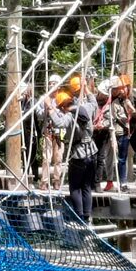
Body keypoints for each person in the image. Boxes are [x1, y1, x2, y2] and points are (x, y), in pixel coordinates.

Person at [48, 85, 98, 223]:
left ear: (63, 106)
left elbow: (59, 124)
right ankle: (87, 216)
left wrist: (49, 107)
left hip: (79, 155)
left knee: (75, 187)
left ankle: (79, 217)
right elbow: (93, 102)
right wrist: (86, 88)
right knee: (87, 186)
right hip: (92, 153)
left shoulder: (70, 116)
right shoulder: (85, 109)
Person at [111, 75, 135, 191]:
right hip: (121, 133)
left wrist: (131, 109)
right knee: (121, 159)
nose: (122, 90)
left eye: (124, 87)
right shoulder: (115, 103)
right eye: (120, 88)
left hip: (134, 132)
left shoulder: (134, 99)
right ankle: (123, 183)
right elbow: (115, 120)